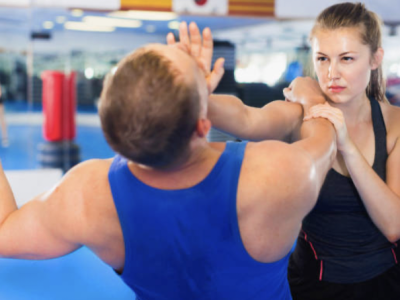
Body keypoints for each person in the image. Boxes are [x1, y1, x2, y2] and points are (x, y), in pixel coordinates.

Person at [0, 23, 336, 299]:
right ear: (203, 124)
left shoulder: (85, 196)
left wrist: (188, 96)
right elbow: (323, 136)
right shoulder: (280, 173)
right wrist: (309, 96)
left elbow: (4, 233)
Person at [207, 2, 400, 299]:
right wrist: (197, 94)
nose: (332, 73)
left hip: (385, 283)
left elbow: (393, 225)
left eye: (347, 59)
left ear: (375, 59)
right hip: (313, 285)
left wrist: (346, 145)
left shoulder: (394, 124)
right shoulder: (300, 116)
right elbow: (246, 118)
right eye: (322, 59)